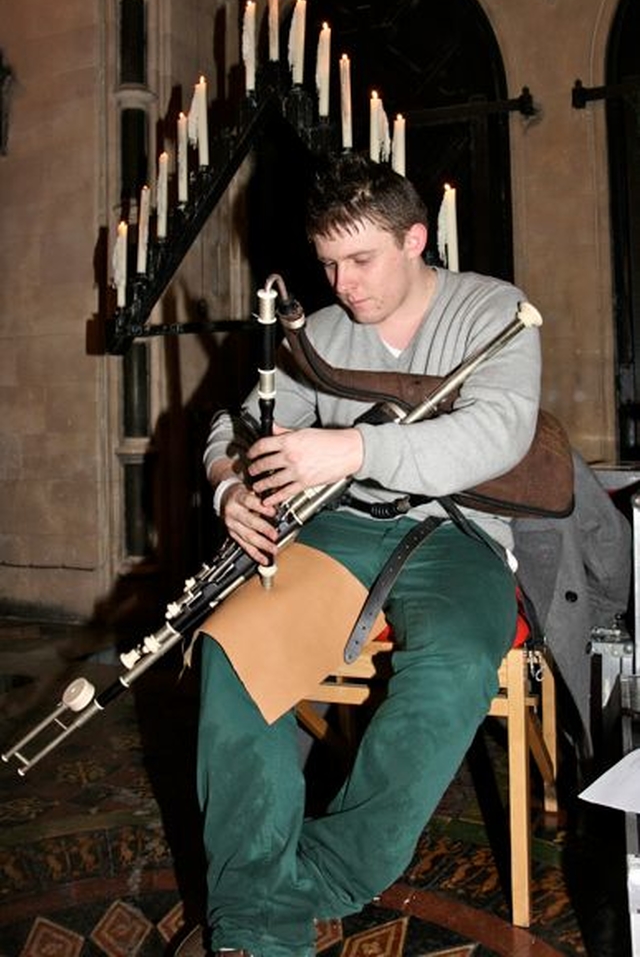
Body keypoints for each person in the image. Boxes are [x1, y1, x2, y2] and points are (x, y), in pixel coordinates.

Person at [195, 152, 541, 957]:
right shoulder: (317, 331)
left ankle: (323, 877)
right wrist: (228, 487)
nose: (344, 283)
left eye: (361, 259)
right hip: (343, 529)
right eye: (327, 263)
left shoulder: (493, 307)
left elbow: (499, 431)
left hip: (461, 531)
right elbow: (238, 424)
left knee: (454, 662)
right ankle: (253, 928)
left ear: (416, 238)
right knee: (230, 652)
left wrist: (351, 450)